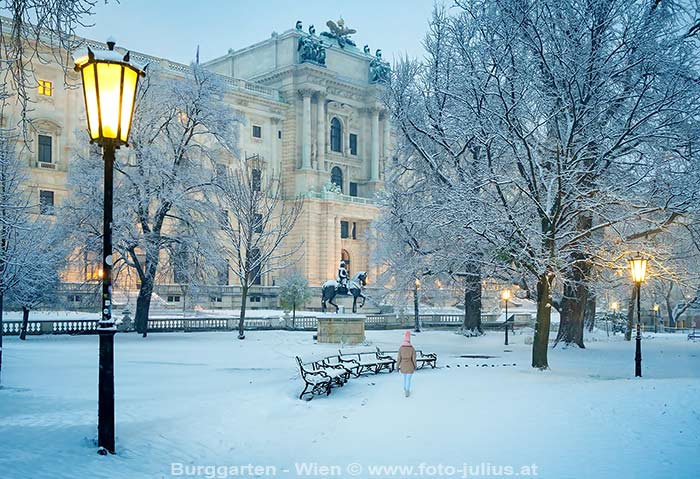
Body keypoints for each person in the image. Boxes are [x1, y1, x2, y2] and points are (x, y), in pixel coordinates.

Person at [396, 330, 417, 397]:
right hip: (410, 366)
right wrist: (415, 366)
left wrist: (397, 366)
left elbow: (399, 358)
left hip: (403, 366)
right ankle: (407, 391)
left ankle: (405, 388)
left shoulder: (401, 348)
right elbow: (414, 359)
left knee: (405, 378)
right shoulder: (412, 349)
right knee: (408, 379)